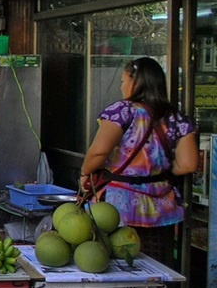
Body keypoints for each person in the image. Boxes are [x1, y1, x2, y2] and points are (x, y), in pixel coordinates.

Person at [80, 57, 198, 268]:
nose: (121, 86)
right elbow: (188, 165)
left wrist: (84, 173)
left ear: (136, 83)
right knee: (155, 269)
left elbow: (98, 153)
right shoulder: (176, 118)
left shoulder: (122, 112)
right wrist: (154, 172)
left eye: (124, 80)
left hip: (117, 207)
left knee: (111, 264)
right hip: (160, 208)